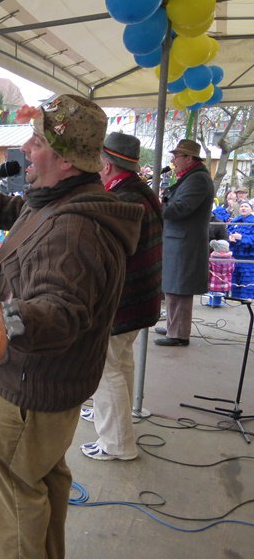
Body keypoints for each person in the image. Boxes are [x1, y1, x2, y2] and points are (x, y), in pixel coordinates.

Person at [0, 95, 142, 559]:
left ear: (66, 161)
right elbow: (28, 221)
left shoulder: (76, 230)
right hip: (43, 388)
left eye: (37, 142)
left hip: (26, 391)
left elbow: (61, 313)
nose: (26, 148)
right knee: (42, 483)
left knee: (16, 500)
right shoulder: (66, 202)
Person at [80, 132, 163, 462]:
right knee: (120, 363)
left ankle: (116, 443)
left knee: (107, 368)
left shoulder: (124, 199)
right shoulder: (137, 191)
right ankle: (116, 418)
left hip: (124, 299)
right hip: (138, 297)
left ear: (108, 164)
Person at [157, 139, 215, 346]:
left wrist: (157, 208)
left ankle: (179, 334)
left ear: (189, 158)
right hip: (179, 240)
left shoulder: (197, 179)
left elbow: (181, 209)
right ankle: (174, 325)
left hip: (185, 242)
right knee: (173, 286)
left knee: (180, 288)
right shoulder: (191, 177)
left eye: (177, 156)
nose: (173, 160)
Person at [227, 200, 254, 299]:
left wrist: (242, 238)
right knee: (235, 280)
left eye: (246, 206)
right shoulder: (235, 221)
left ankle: (248, 302)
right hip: (234, 256)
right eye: (242, 206)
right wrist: (229, 237)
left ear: (251, 209)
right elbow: (227, 232)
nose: (243, 208)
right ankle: (235, 299)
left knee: (247, 281)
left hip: (248, 258)